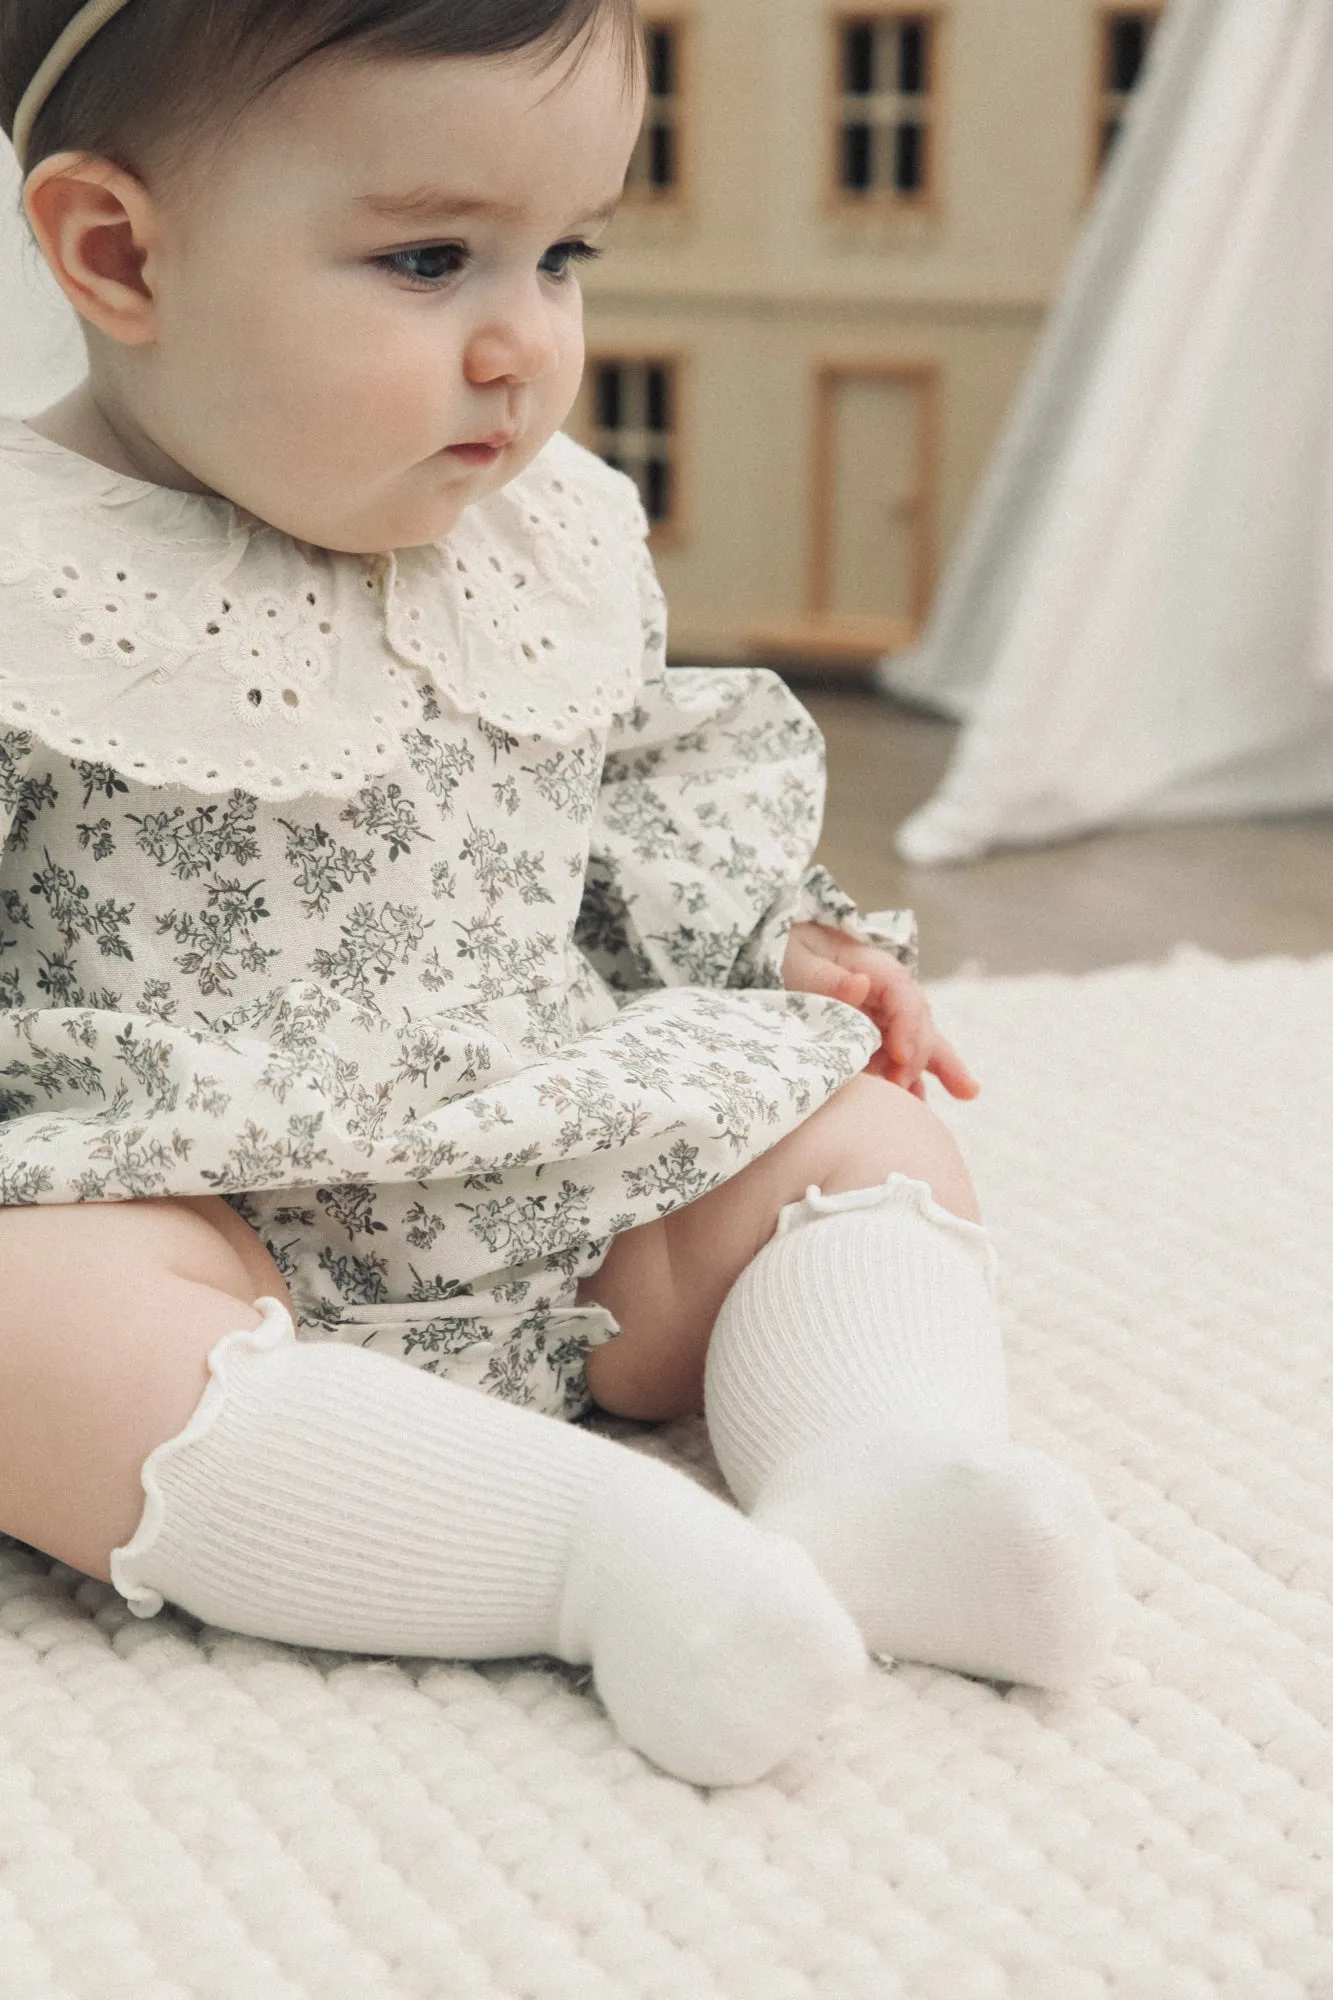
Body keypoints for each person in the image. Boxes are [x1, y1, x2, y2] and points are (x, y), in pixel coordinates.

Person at [0, 0, 1118, 1789]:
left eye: (566, 251)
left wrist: (785, 941)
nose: (527, 341)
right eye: (432, 259)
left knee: (861, 1128)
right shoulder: (28, 578)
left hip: (562, 1194)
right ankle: (589, 1558)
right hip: (187, 1211)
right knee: (22, 1324)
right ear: (120, 253)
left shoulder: (540, 539)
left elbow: (624, 800)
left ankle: (880, 1473)